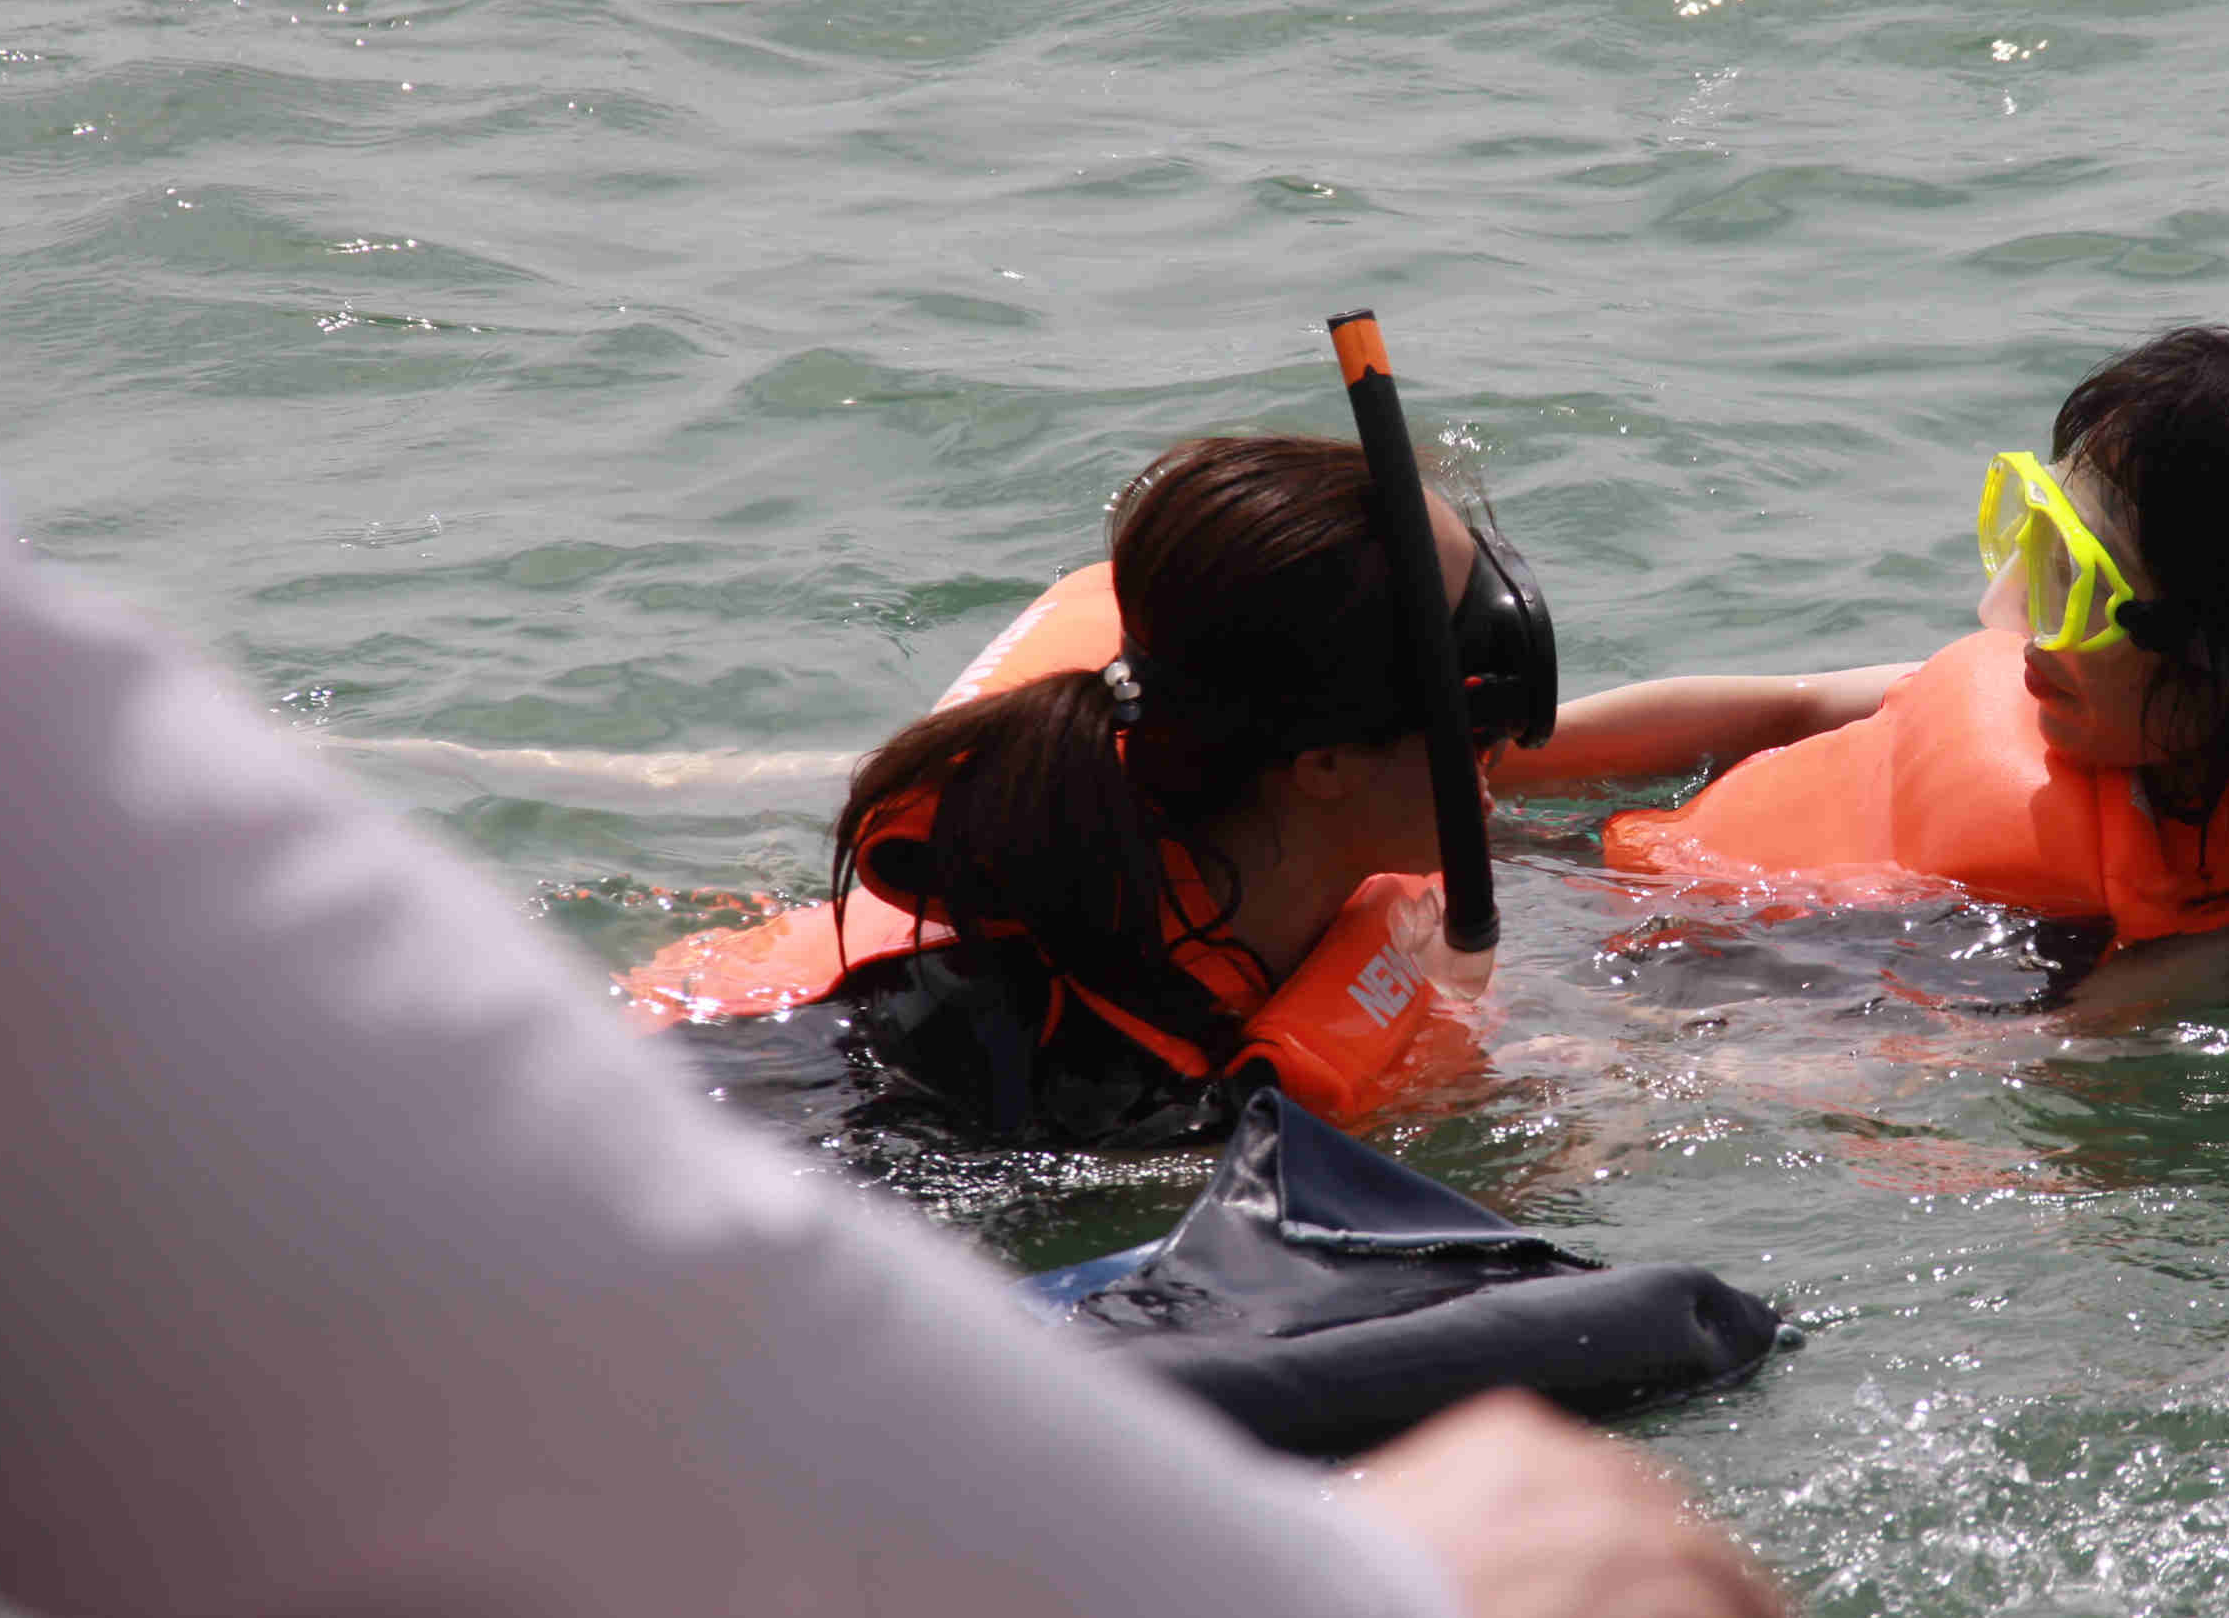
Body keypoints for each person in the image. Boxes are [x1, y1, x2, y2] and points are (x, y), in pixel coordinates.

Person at [0, 409, 1782, 1618]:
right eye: (1477, 672)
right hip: (804, 1134)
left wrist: (1831, 705)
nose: (1515, 700)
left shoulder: (1232, 794)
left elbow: (1551, 761)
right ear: (1323, 762)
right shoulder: (1096, 1076)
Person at [1499, 316, 2229, 986]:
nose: (2020, 620)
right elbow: (1789, 707)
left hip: (1735, 976)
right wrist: (1496, 752)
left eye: (2077, 587)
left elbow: (2054, 1059)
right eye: (2036, 541)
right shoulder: (2057, 696)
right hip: (1608, 872)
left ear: (2223, 665)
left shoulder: (2227, 932)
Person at [624, 433, 1554, 1144]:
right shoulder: (1113, 1099)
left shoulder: (1223, 789)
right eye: (1475, 713)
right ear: (1326, 765)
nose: (1505, 740)